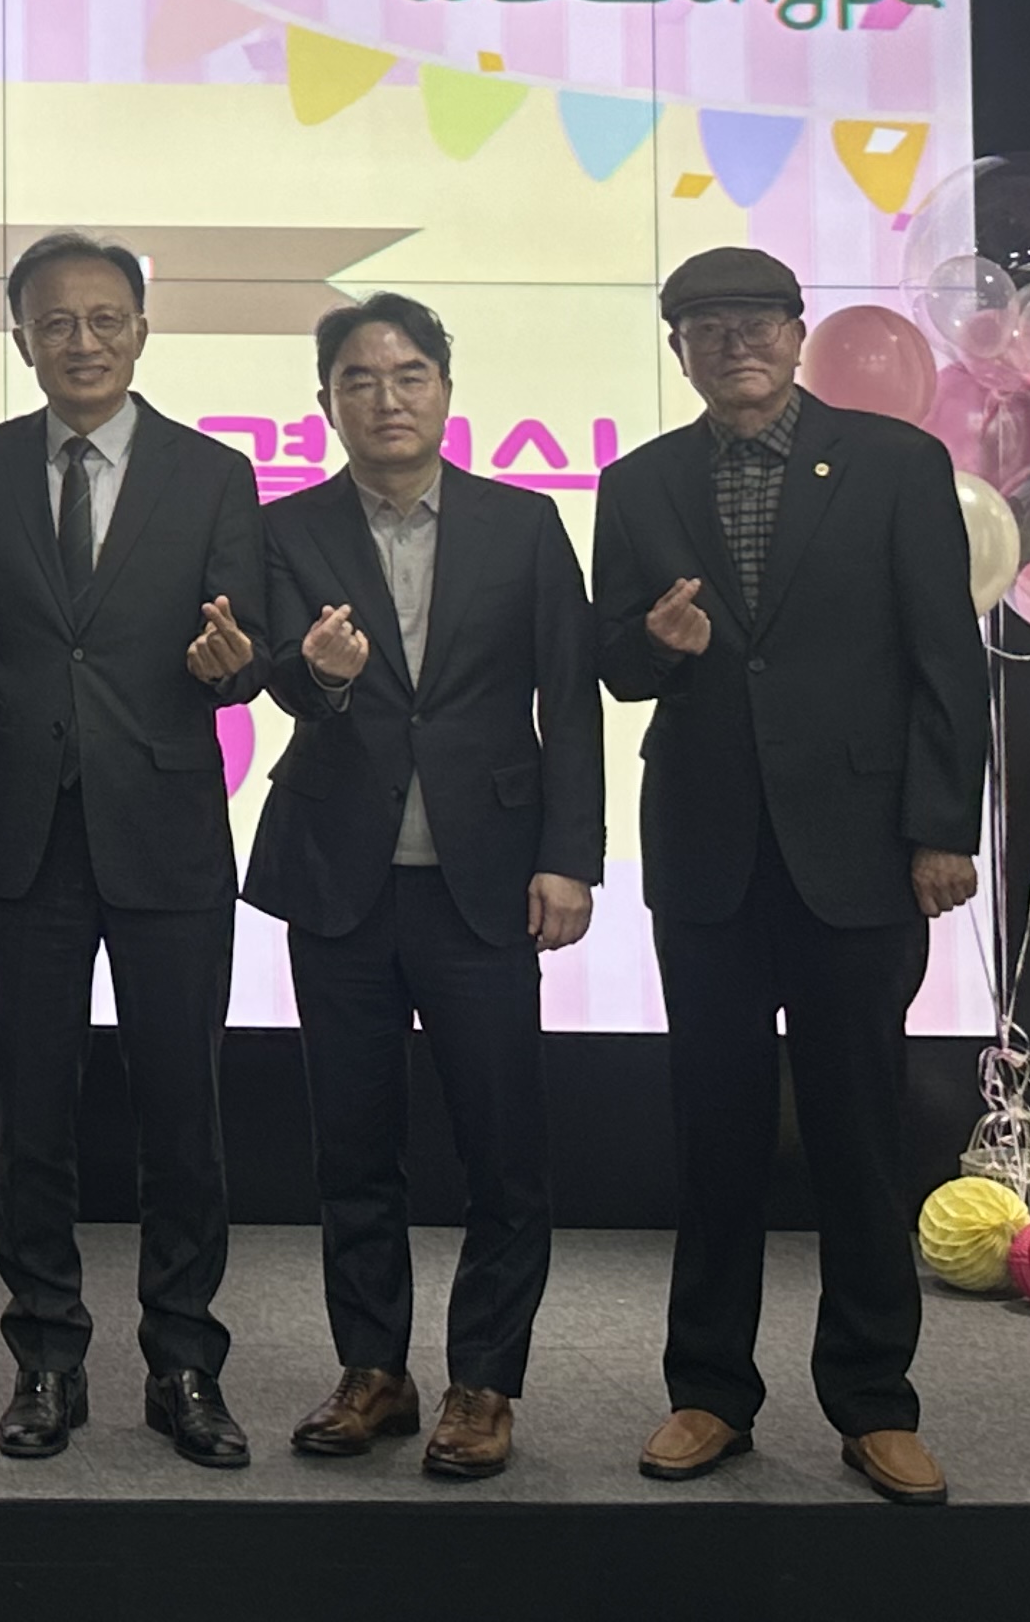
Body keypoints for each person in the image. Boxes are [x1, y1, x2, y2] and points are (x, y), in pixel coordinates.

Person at [599, 245, 984, 1508]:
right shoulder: (638, 482)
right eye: (707, 328)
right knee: (712, 1136)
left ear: (797, 332)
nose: (736, 344)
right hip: (708, 855)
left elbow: (945, 657)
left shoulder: (896, 463)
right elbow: (617, 663)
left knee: (859, 1135)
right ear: (679, 351)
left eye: (757, 322)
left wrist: (941, 828)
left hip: (859, 854)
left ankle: (875, 1403)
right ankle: (709, 1392)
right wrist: (656, 646)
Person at [249, 290, 602, 1483]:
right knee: (353, 1145)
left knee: (504, 1148)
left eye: (407, 375)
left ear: (445, 389)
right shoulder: (286, 529)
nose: (385, 398)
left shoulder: (524, 524)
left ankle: (484, 1383)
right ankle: (374, 1371)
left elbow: (570, 698)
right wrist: (322, 672)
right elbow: (280, 684)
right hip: (339, 878)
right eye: (358, 379)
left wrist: (571, 856)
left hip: (484, 880)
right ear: (326, 402)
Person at [0, 232, 267, 1469]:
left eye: (103, 319)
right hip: (26, 837)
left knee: (183, 1112)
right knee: (30, 1114)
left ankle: (184, 1362)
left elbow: (245, 646)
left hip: (167, 831)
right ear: (21, 337)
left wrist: (231, 666)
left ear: (141, 328)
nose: (81, 342)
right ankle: (46, 1356)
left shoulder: (213, 472)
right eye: (55, 322)